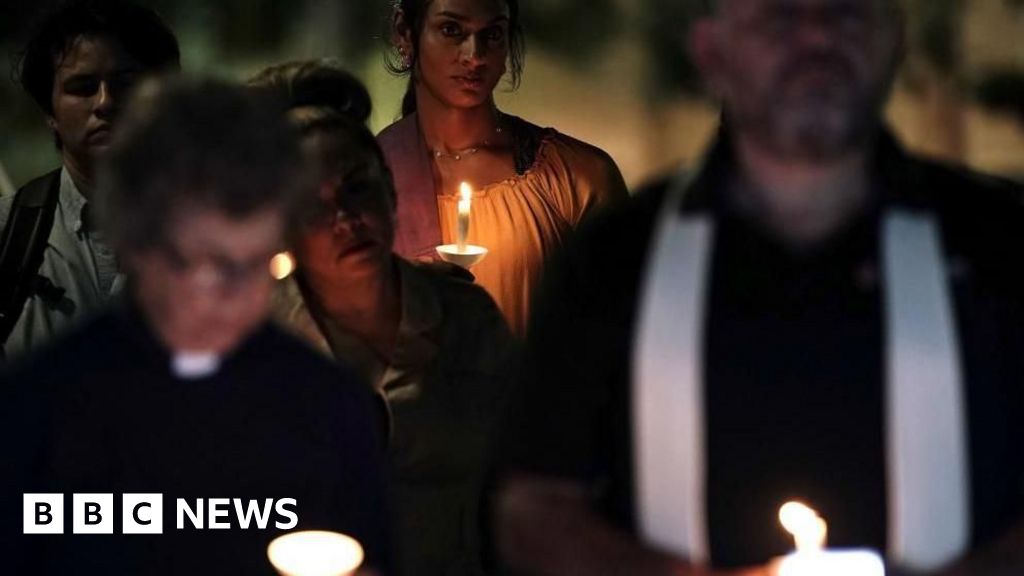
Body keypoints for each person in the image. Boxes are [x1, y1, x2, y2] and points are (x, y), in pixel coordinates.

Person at [494, 0, 1024, 575]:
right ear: (712, 54)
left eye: (846, 14)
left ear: (891, 40)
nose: (817, 37)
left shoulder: (999, 245)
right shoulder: (617, 260)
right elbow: (532, 509)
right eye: (779, 17)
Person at [0, 77, 392, 575]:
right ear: (134, 240)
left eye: (256, 262)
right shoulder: (37, 411)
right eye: (202, 263)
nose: (234, 295)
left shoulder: (327, 408)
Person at [251, 61, 516, 575]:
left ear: (391, 192)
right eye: (313, 205)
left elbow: (519, 472)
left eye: (357, 189)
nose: (346, 219)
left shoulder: (464, 316)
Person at [378, 0, 629, 335]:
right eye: (452, 30)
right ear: (404, 32)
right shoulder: (371, 181)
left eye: (492, 34)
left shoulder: (576, 180)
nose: (475, 55)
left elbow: (619, 334)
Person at [0, 0, 180, 361]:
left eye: (125, 84)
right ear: (49, 112)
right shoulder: (9, 233)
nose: (105, 102)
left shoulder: (215, 228)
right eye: (82, 88)